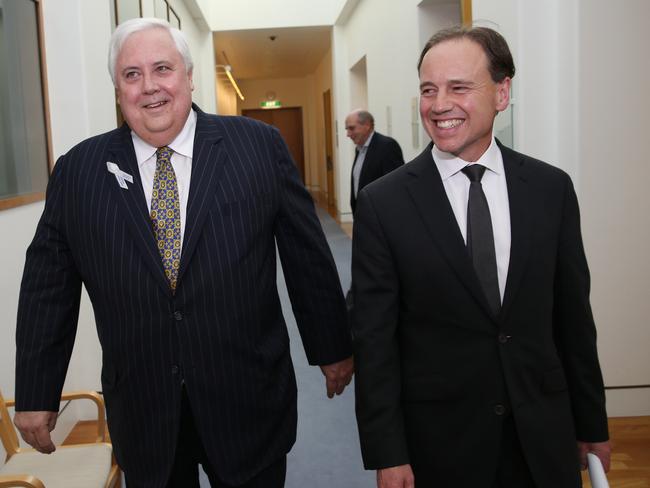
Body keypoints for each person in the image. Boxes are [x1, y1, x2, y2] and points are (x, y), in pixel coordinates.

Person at [13, 18, 353, 488]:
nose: (149, 87)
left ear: (189, 76)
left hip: (247, 398)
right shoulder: (79, 172)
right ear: (118, 89)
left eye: (162, 68)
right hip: (144, 409)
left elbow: (306, 257)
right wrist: (36, 390)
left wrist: (332, 346)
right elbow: (47, 287)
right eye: (131, 75)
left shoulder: (257, 147)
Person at [351, 26, 610, 488]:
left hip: (542, 437)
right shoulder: (383, 203)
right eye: (428, 90)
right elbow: (376, 342)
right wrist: (387, 452)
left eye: (459, 87)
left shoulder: (551, 190)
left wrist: (591, 425)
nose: (438, 104)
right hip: (442, 445)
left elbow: (574, 319)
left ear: (502, 92)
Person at [345, 109, 404, 214]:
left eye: (351, 128)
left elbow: (395, 186)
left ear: (367, 125)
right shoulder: (359, 149)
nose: (348, 134)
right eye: (347, 129)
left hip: (381, 215)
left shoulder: (387, 146)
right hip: (362, 214)